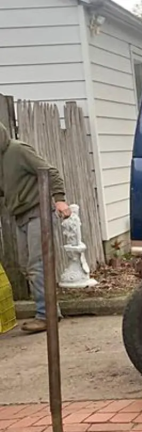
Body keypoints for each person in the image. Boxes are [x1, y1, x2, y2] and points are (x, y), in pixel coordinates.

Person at [0, 121, 71, 333]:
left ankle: (46, 316)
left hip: (38, 212)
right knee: (26, 265)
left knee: (38, 265)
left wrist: (59, 199)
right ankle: (49, 311)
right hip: (20, 215)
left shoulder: (18, 150)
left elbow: (50, 172)